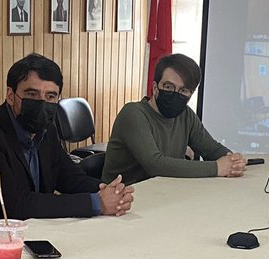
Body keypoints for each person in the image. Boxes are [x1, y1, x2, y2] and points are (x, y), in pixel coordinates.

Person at [0, 54, 134, 241]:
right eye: (32, 95)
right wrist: (96, 203)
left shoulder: (46, 130)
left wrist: (108, 191)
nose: (41, 103)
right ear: (11, 95)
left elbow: (69, 177)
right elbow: (17, 205)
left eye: (50, 96)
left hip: (32, 234)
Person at [102, 53, 246, 185]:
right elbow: (155, 165)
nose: (175, 94)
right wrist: (217, 168)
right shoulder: (133, 114)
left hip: (167, 192)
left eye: (183, 90)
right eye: (168, 86)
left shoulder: (185, 115)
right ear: (154, 87)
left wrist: (232, 160)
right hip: (123, 201)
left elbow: (210, 148)